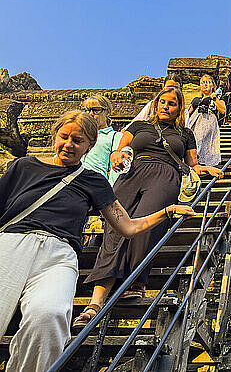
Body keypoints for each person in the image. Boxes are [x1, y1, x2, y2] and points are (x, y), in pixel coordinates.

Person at [0, 110, 197, 371]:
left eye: (78, 140)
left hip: (59, 254)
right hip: (13, 243)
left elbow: (126, 225)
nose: (69, 144)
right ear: (54, 135)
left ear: (89, 146)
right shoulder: (24, 166)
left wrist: (167, 211)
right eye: (64, 137)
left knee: (50, 317)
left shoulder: (94, 181)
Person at [76, 88, 223, 327]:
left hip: (165, 175)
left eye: (172, 103)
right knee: (114, 228)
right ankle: (97, 299)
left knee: (146, 223)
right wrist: (116, 156)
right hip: (132, 173)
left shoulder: (185, 134)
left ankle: (136, 282)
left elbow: (192, 165)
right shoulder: (138, 127)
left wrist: (207, 170)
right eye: (162, 102)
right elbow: (120, 149)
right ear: (156, 105)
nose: (166, 106)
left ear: (179, 108)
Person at [81, 94, 122, 185]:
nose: (90, 114)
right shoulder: (80, 135)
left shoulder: (115, 136)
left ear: (108, 112)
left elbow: (115, 170)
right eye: (88, 110)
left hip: (96, 186)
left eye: (96, 110)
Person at [124, 73, 189, 130]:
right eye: (169, 87)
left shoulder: (184, 112)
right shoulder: (152, 106)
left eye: (175, 88)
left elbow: (186, 131)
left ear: (180, 89)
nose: (172, 90)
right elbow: (136, 122)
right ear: (163, 87)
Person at [188, 74, 226, 167]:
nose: (205, 85)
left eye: (208, 82)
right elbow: (187, 113)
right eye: (202, 83)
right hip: (195, 122)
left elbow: (223, 110)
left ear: (213, 85)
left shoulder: (218, 98)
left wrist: (214, 98)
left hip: (209, 121)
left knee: (204, 142)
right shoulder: (196, 100)